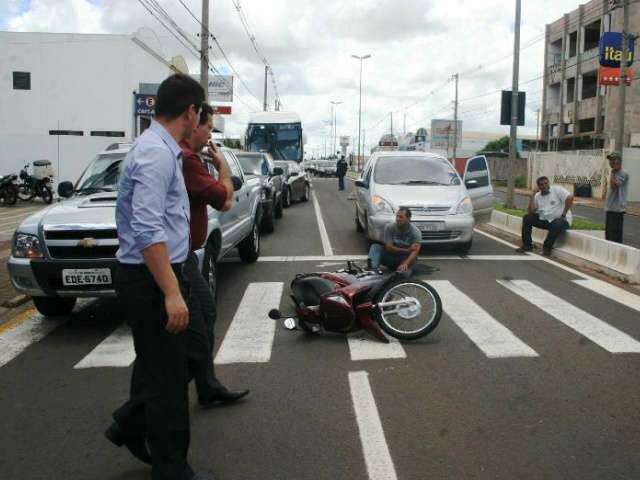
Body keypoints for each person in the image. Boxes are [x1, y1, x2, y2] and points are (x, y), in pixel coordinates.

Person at [105, 74, 213, 480]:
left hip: (160, 273)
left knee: (167, 366)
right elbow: (149, 231)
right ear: (190, 112)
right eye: (200, 113)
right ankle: (171, 470)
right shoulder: (156, 155)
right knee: (168, 383)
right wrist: (171, 292)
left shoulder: (161, 149)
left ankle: (129, 426)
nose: (200, 119)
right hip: (151, 280)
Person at [181, 103, 249, 407]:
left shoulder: (190, 158)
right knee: (192, 331)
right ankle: (136, 412)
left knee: (205, 315)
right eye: (208, 127)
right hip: (174, 259)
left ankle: (207, 385)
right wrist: (221, 164)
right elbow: (225, 201)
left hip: (184, 256)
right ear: (194, 122)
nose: (210, 134)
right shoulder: (186, 160)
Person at [516, 176, 573, 256]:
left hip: (562, 220)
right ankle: (527, 245)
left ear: (548, 183)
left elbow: (570, 197)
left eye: (546, 183)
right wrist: (532, 195)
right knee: (527, 218)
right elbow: (530, 211)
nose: (544, 186)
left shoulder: (557, 190)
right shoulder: (537, 196)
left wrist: (563, 214)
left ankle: (547, 249)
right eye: (541, 184)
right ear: (539, 186)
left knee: (556, 224)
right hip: (546, 221)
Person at [367, 207, 421, 277]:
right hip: (391, 257)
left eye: (401, 217)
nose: (398, 219)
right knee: (375, 247)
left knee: (403, 275)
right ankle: (372, 269)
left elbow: (415, 252)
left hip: (405, 259)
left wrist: (406, 263)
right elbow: (388, 248)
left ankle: (399, 273)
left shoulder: (416, 232)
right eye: (397, 216)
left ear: (408, 219)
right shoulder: (389, 227)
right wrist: (407, 250)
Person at [604, 151, 629, 244]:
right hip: (610, 208)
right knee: (609, 235)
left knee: (615, 237)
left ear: (618, 161)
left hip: (617, 210)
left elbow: (614, 186)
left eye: (613, 160)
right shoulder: (613, 173)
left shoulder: (623, 173)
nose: (610, 162)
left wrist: (613, 172)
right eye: (610, 160)